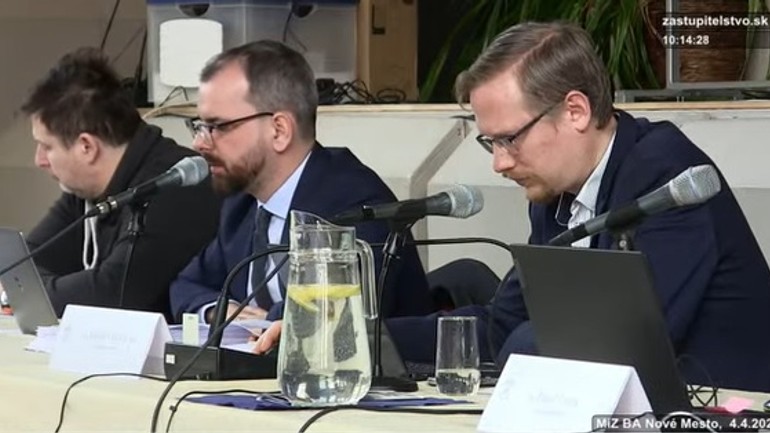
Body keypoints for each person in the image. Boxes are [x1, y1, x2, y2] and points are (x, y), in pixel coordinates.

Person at [259, 21, 770, 393]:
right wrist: (349, 335)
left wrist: (522, 343)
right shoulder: (554, 194)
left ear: (575, 110)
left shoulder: (665, 175)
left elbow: (618, 349)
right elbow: (501, 328)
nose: (500, 163)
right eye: (491, 143)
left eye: (509, 139)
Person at [168, 40, 433, 324]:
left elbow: (333, 313)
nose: (199, 143)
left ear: (279, 130)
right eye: (199, 126)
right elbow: (185, 286)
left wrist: (264, 321)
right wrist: (220, 310)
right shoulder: (242, 205)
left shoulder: (356, 202)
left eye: (217, 126)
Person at [21, 47, 222, 322]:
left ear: (87, 147)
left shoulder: (176, 186)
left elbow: (113, 294)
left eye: (47, 147)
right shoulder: (84, 191)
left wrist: (28, 294)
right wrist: (26, 290)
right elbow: (23, 266)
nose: (39, 160)